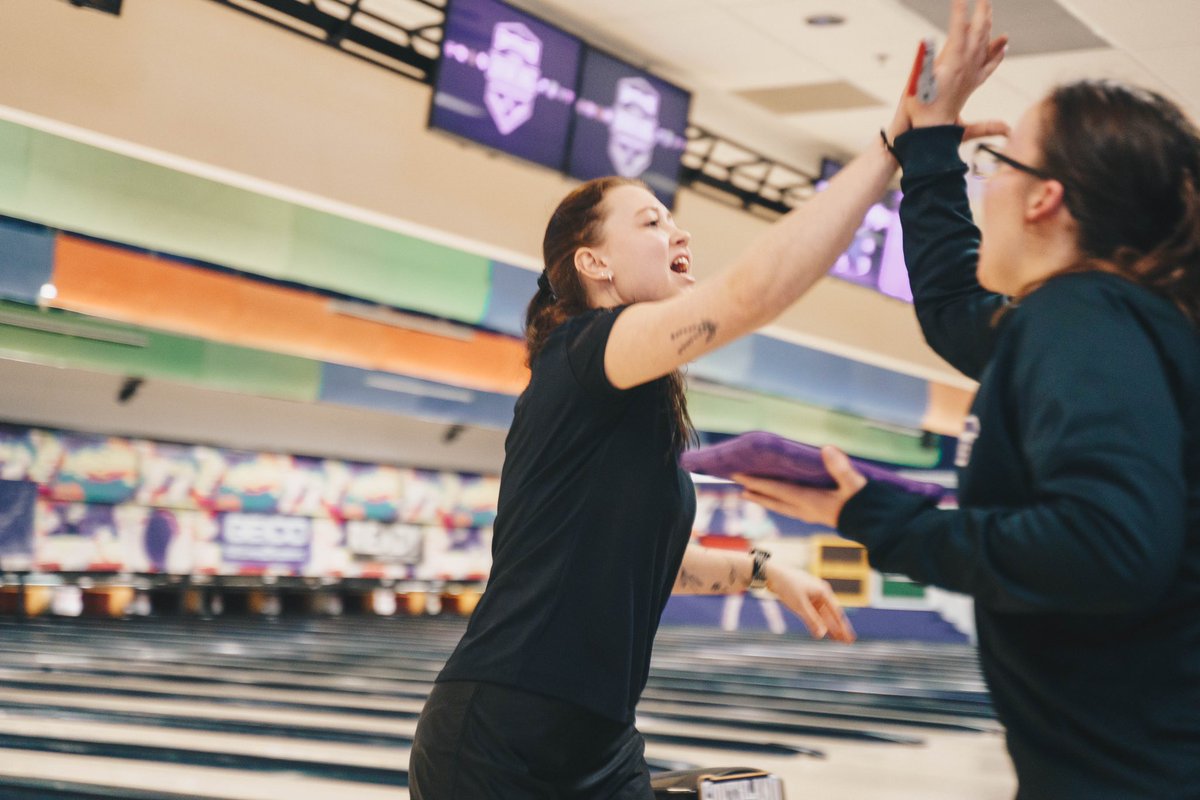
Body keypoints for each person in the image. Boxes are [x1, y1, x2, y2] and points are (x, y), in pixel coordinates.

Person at [403, 7, 1003, 789]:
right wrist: (891, 151)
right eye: (652, 221)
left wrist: (763, 570)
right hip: (499, 737)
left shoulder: (625, 396)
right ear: (596, 265)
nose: (679, 234)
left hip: (602, 743)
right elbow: (751, 296)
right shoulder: (589, 351)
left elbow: (647, 559)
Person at [736, 1, 1200, 797]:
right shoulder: (1112, 319)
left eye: (999, 166)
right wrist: (929, 142)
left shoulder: (1082, 317)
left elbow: (1108, 547)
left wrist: (891, 523)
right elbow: (955, 305)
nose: (986, 189)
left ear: (1043, 199)